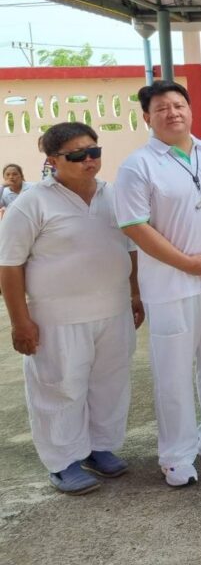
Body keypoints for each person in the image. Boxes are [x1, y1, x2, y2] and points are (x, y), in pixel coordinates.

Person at [114, 80, 201, 487]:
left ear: (190, 110)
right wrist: (187, 263)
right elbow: (135, 226)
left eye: (178, 105)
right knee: (173, 370)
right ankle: (176, 455)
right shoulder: (138, 166)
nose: (172, 113)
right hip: (171, 283)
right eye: (161, 108)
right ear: (147, 117)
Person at [0, 123, 144, 495]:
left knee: (110, 384)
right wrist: (20, 321)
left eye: (94, 151)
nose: (89, 160)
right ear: (52, 160)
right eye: (77, 155)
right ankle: (63, 462)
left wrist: (135, 294)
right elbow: (10, 266)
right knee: (60, 388)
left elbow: (131, 248)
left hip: (113, 310)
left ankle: (99, 448)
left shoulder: (114, 195)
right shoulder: (31, 203)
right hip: (57, 317)